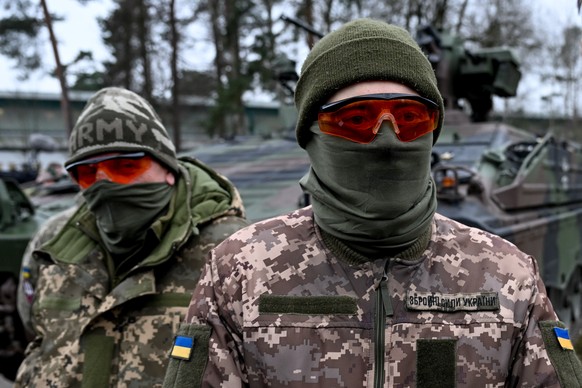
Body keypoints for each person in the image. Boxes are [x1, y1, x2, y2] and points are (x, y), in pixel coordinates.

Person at [162, 19, 582, 387]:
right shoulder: (238, 271)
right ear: (311, 134)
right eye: (355, 120)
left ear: (432, 132)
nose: (387, 139)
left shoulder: (508, 273)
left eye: (411, 118)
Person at [14, 86, 249, 387]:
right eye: (86, 173)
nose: (104, 184)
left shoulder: (232, 250)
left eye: (124, 167)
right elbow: (36, 335)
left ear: (167, 168)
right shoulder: (53, 244)